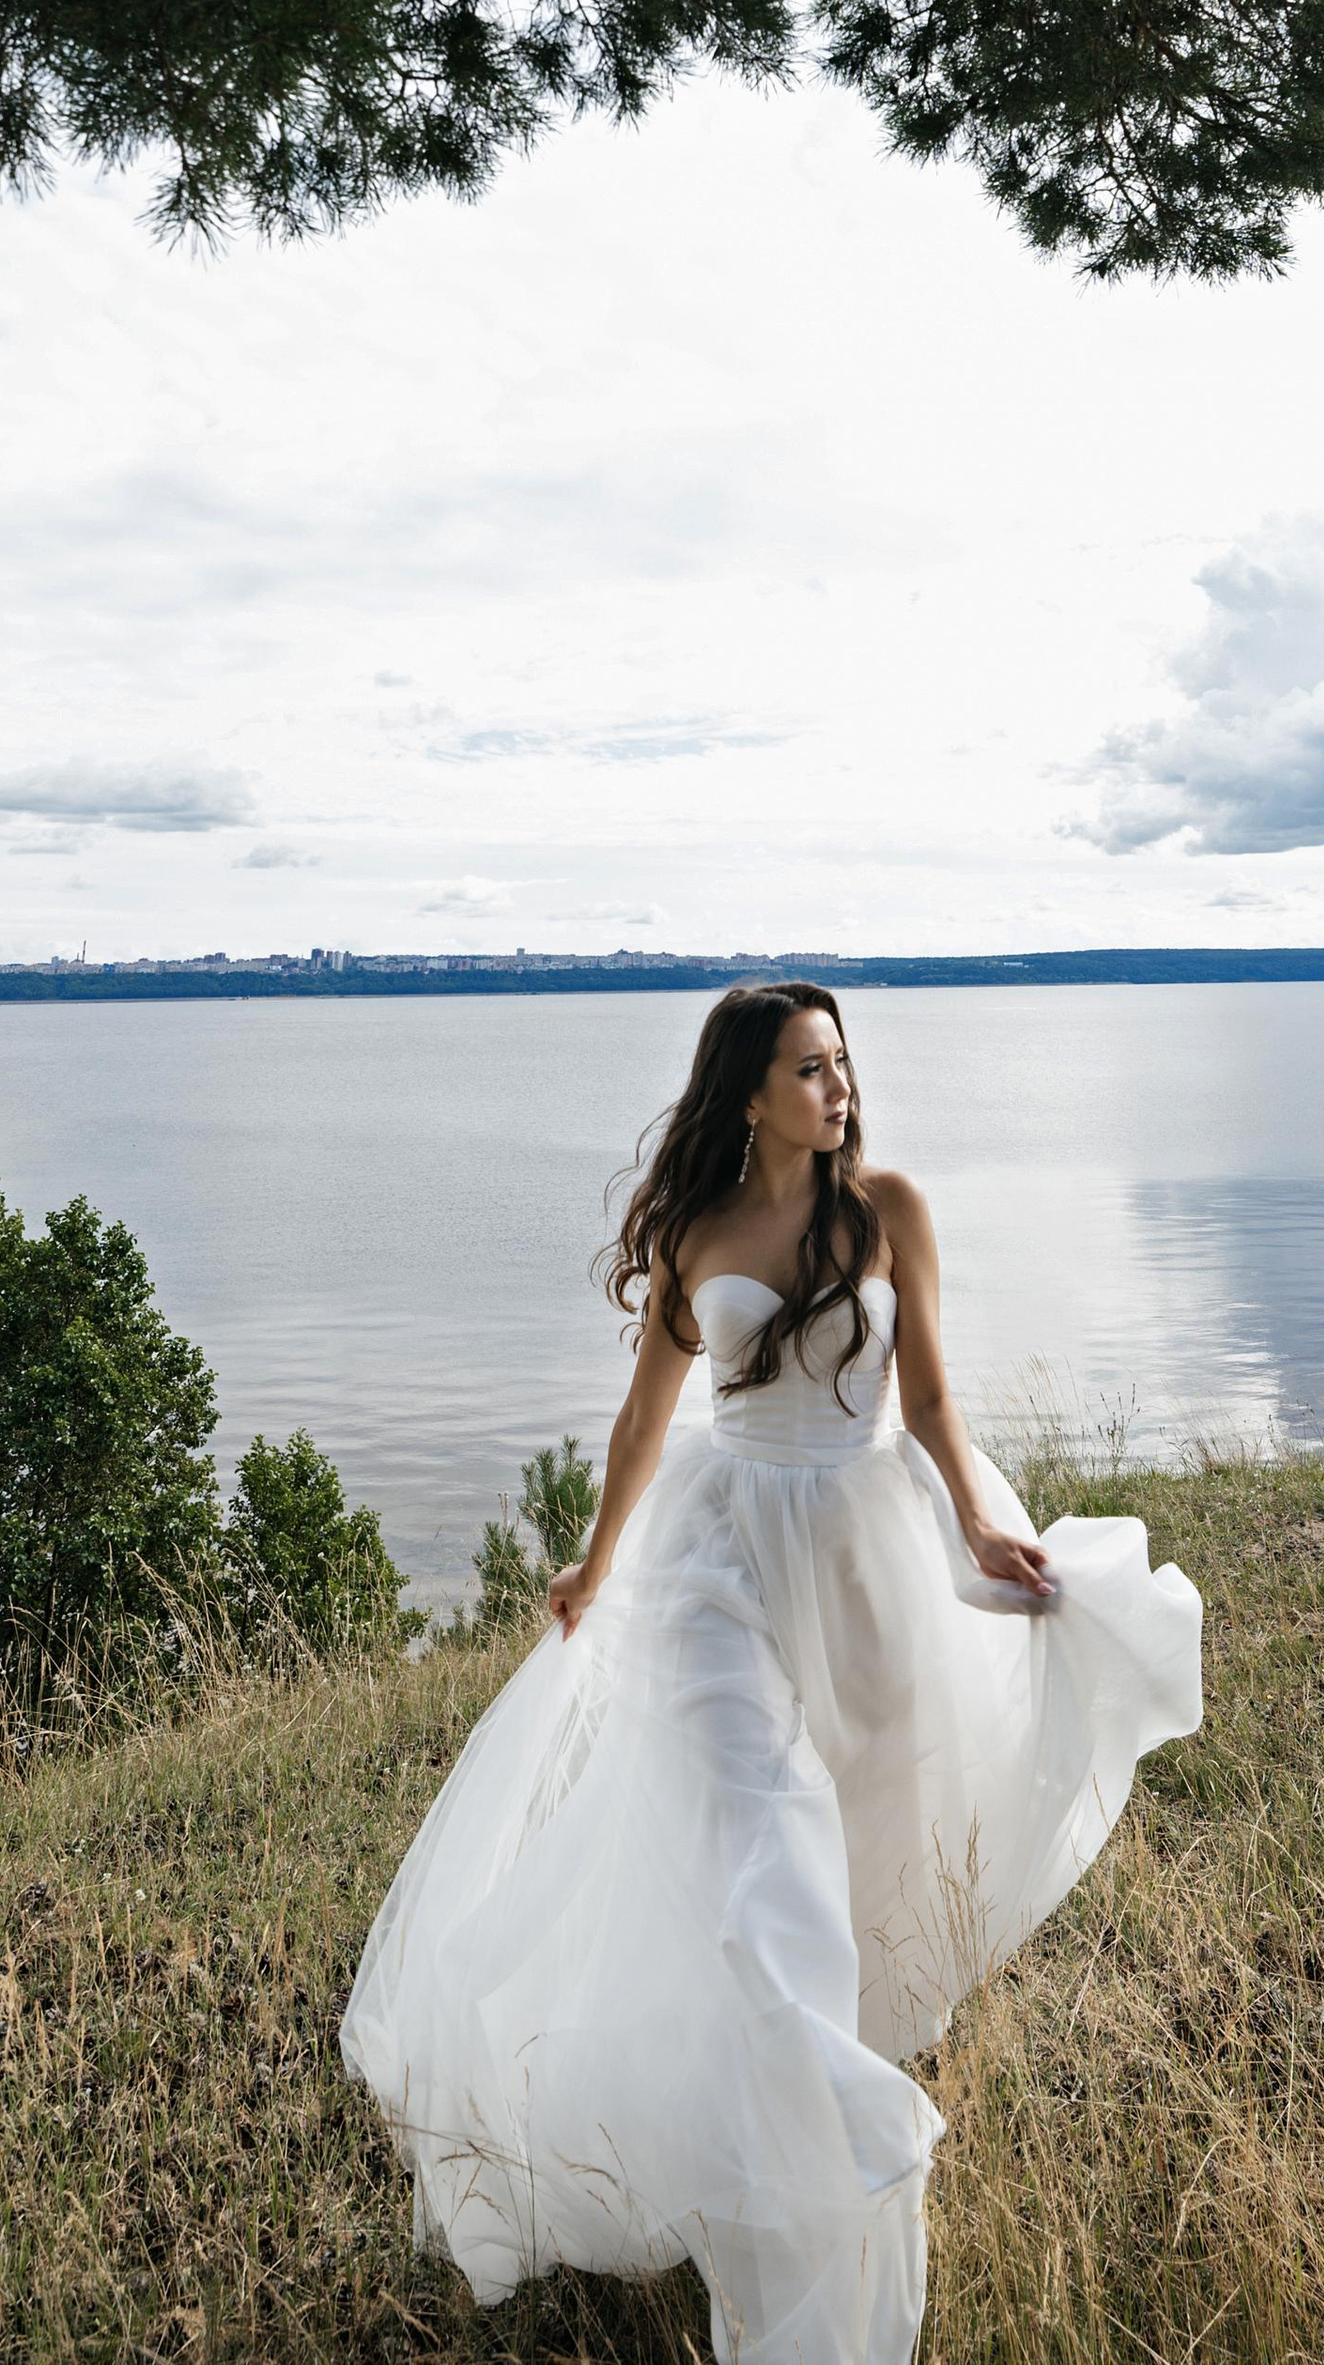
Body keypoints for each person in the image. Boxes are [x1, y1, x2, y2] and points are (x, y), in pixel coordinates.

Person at [340, 980, 1202, 2365]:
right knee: (761, 1844)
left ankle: (803, 2090)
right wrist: (595, 1559)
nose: (838, 1087)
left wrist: (982, 1523)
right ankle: (819, 2158)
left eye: (844, 1065)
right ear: (749, 1092)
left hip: (868, 1554)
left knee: (865, 1841)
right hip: (720, 1561)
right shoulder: (695, 1235)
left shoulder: (891, 1212)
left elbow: (928, 1399)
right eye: (810, 1069)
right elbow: (642, 1419)